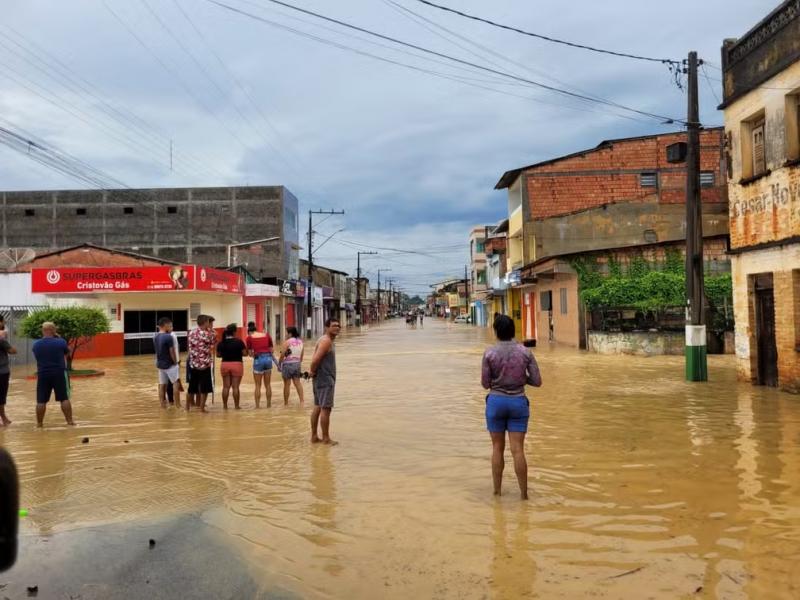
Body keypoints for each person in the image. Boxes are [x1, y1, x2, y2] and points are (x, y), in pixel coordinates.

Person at [481, 315, 542, 500]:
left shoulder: (489, 353)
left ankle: (497, 493)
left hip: (496, 403)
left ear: (496, 331)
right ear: (513, 331)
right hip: (518, 403)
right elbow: (537, 381)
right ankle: (524, 495)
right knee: (518, 450)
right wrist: (521, 378)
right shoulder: (525, 352)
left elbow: (485, 383)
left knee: (497, 448)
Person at [32, 322, 74, 427]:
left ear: (43, 331)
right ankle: (70, 422)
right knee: (64, 398)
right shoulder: (61, 342)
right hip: (59, 373)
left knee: (41, 401)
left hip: (43, 374)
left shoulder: (36, 345)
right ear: (53, 330)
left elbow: (38, 357)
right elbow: (67, 353)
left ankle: (39, 424)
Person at [309, 318, 340, 445]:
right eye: (334, 325)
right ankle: (326, 438)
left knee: (318, 407)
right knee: (326, 409)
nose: (337, 328)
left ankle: (314, 436)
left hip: (320, 378)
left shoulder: (324, 340)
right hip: (325, 379)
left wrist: (313, 373)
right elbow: (315, 360)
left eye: (338, 326)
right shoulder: (326, 341)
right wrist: (312, 371)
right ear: (327, 327)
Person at [187, 314, 216, 413]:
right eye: (208, 321)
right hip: (205, 365)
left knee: (191, 388)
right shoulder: (209, 334)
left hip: (193, 364)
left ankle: (187, 408)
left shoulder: (191, 332)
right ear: (205, 322)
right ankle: (202, 409)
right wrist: (213, 333)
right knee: (205, 389)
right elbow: (212, 345)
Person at [217, 323, 247, 410]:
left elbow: (218, 355)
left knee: (225, 387)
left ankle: (225, 406)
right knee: (235, 387)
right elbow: (245, 354)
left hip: (225, 364)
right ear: (234, 332)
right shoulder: (239, 342)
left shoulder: (221, 343)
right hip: (237, 365)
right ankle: (236, 406)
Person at [245, 321, 274, 408]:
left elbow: (250, 353)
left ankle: (257, 406)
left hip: (258, 359)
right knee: (268, 384)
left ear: (249, 332)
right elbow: (271, 350)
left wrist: (254, 355)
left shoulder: (249, 338)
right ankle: (269, 405)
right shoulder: (266, 335)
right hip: (268, 359)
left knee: (258, 385)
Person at [154, 317, 181, 409]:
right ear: (165, 325)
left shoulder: (156, 336)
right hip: (170, 365)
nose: (171, 328)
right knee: (176, 384)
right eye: (170, 326)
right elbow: (172, 352)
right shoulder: (169, 337)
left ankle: (162, 405)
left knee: (162, 385)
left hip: (160, 365)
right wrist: (175, 362)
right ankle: (178, 405)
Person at [278, 326, 305, 406]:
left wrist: (279, 364)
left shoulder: (287, 342)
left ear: (290, 334)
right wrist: (298, 362)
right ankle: (302, 401)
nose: (285, 334)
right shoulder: (301, 342)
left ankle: (286, 403)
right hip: (297, 364)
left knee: (287, 384)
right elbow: (301, 356)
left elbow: (282, 354)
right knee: (298, 383)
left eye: (286, 333)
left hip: (287, 364)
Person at [0, 320, 17, 426]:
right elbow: (12, 351)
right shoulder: (1, 339)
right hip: (2, 372)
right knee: (1, 396)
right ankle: (4, 418)